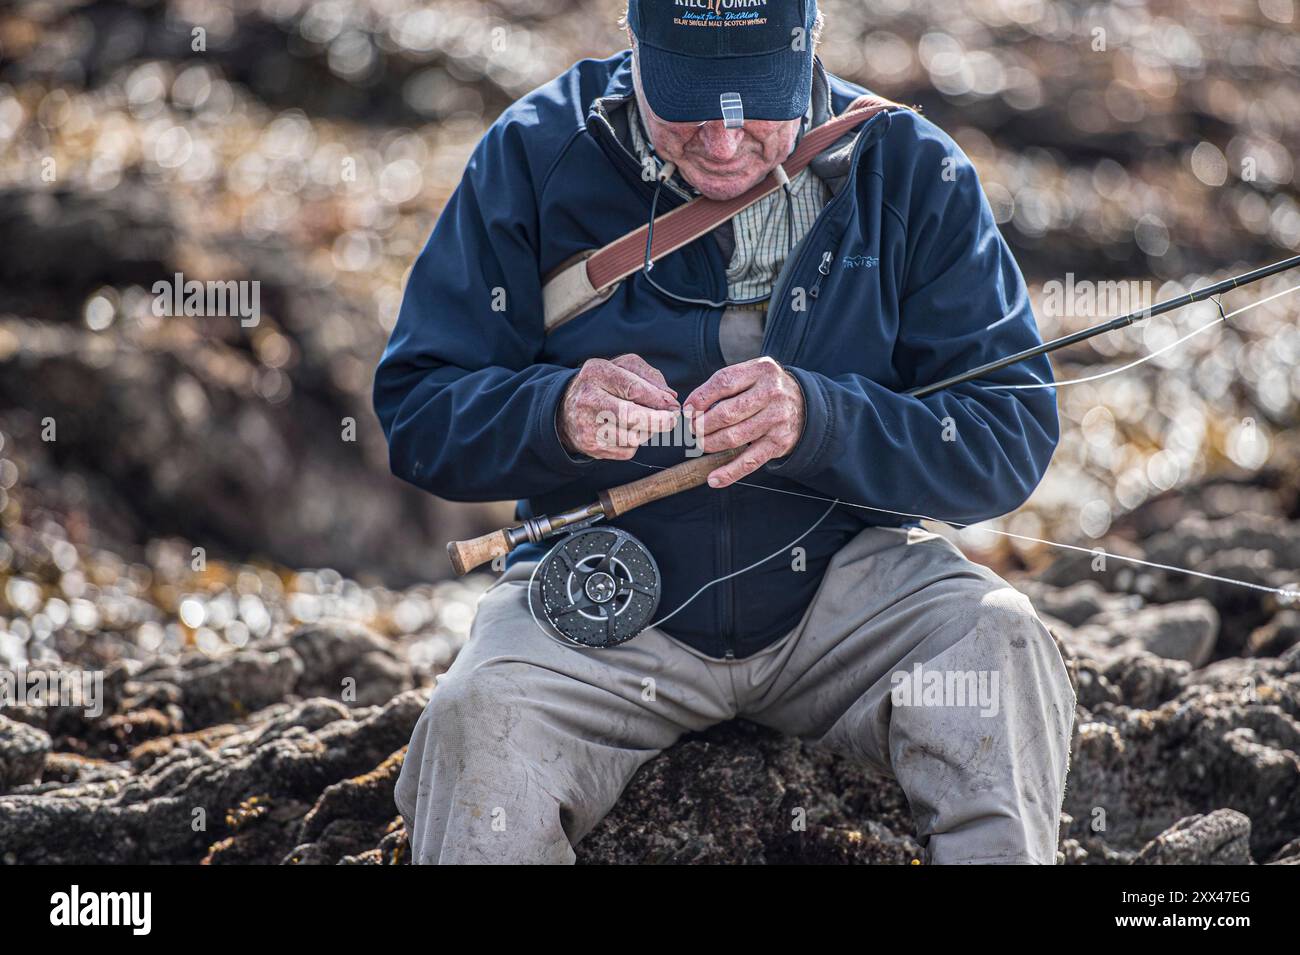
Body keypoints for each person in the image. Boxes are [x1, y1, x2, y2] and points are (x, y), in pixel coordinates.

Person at [374, 0, 1076, 864]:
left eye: (755, 104)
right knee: (475, 721)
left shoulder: (911, 168)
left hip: (846, 594)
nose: (722, 141)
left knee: (1000, 644)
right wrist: (552, 414)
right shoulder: (533, 153)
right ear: (637, 48)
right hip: (604, 606)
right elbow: (416, 409)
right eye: (690, 101)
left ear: (808, 48)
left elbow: (1008, 437)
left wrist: (824, 420)